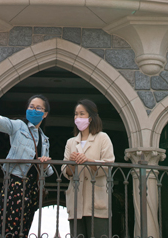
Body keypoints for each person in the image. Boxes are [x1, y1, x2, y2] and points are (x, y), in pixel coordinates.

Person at [0, 92, 53, 238]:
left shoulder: (45, 139)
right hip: (16, 182)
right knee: (10, 228)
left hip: (33, 187)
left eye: (38, 108)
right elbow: (0, 121)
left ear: (45, 114)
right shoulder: (19, 126)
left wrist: (45, 165)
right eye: (31, 107)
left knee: (25, 228)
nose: (33, 110)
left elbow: (49, 171)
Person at [63, 99, 115, 238]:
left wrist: (88, 161)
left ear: (90, 118)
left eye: (81, 114)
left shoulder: (103, 138)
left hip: (97, 200)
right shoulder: (70, 142)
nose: (78, 117)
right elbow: (65, 172)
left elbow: (108, 166)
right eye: (76, 114)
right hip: (76, 201)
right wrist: (72, 163)